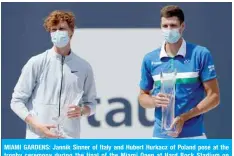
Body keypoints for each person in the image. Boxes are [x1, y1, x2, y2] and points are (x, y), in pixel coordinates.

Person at [10, 10, 97, 139]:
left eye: (62, 29)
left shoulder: (84, 67)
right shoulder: (36, 62)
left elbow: (92, 104)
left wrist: (82, 111)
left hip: (69, 141)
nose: (57, 33)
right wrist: (38, 126)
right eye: (53, 30)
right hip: (38, 142)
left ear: (71, 31)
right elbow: (16, 101)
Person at [138, 5, 220, 139]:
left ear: (182, 26)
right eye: (165, 26)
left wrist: (184, 117)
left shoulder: (200, 54)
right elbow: (142, 97)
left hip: (194, 137)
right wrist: (154, 100)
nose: (169, 30)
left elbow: (214, 96)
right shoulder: (150, 59)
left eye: (173, 25)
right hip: (160, 138)